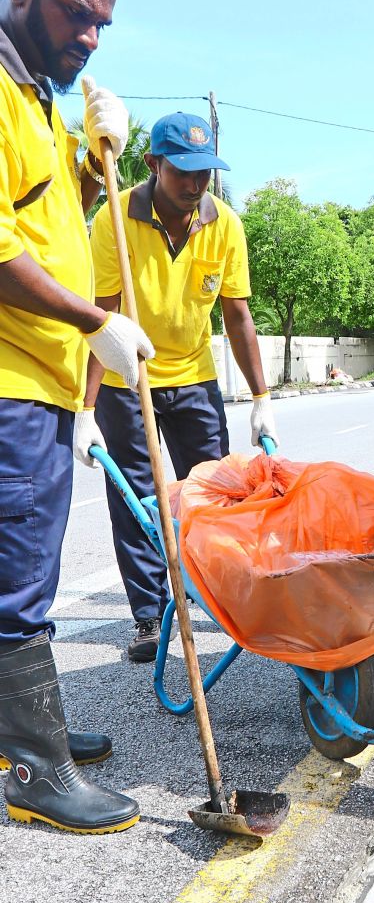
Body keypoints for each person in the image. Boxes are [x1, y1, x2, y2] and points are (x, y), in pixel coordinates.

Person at [0, 0, 155, 832]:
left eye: (100, 25)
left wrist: (99, 162)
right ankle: (35, 771)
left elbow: (57, 220)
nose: (87, 37)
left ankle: (25, 727)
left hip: (48, 380)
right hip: (12, 378)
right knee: (17, 577)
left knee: (28, 567)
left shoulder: (39, 104)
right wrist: (95, 322)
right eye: (72, 12)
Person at [75, 112, 278, 662]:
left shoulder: (224, 223)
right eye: (183, 172)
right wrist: (87, 405)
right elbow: (103, 313)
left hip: (194, 374)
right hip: (127, 374)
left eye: (204, 173)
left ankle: (215, 598)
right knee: (139, 497)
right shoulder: (114, 219)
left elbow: (238, 315)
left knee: (211, 493)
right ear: (153, 164)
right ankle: (149, 615)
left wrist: (262, 398)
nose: (194, 184)